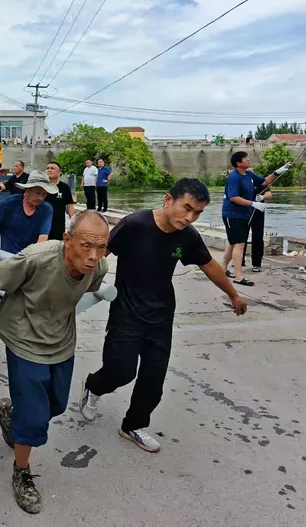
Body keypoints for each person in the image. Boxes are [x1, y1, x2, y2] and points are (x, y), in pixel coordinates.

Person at [79, 178, 249, 453]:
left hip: (161, 316)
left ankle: (133, 425)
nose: (190, 217)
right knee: (120, 371)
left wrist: (233, 294)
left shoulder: (188, 236)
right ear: (168, 200)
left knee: (153, 379)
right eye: (187, 208)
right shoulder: (134, 225)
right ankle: (94, 386)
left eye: (198, 213)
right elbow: (97, 254)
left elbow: (209, 265)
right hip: (126, 313)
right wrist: (70, 283)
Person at [0, 210, 110, 514]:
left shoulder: (98, 266)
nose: (93, 256)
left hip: (61, 340)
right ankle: (21, 471)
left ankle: (10, 414)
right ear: (67, 240)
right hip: (23, 337)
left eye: (101, 247)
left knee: (56, 405)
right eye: (86, 246)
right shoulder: (37, 258)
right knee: (34, 417)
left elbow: (79, 289)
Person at [221, 151, 290, 286]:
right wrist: (253, 203)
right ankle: (238, 276)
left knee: (233, 243)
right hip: (232, 215)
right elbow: (233, 197)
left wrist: (277, 172)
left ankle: (222, 269)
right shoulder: (234, 177)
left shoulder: (248, 174)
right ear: (238, 163)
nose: (248, 160)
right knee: (239, 244)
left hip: (243, 214)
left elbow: (264, 181)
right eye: (245, 159)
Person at [0, 170, 54, 260]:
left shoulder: (46, 209)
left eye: (44, 194)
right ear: (27, 189)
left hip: (30, 259)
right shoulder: (9, 203)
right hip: (7, 259)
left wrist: (32, 257)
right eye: (37, 193)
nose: (40, 198)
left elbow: (43, 237)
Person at [243, 177, 272, 273]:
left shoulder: (259, 181)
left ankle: (256, 264)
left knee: (258, 237)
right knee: (242, 236)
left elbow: (269, 194)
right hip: (244, 211)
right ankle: (240, 260)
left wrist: (262, 197)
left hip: (258, 211)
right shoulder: (240, 180)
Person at [44, 161, 76, 241]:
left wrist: (74, 222)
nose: (49, 170)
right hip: (42, 224)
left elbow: (70, 205)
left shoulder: (65, 188)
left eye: (52, 168)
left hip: (58, 226)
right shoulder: (41, 187)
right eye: (47, 168)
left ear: (59, 173)